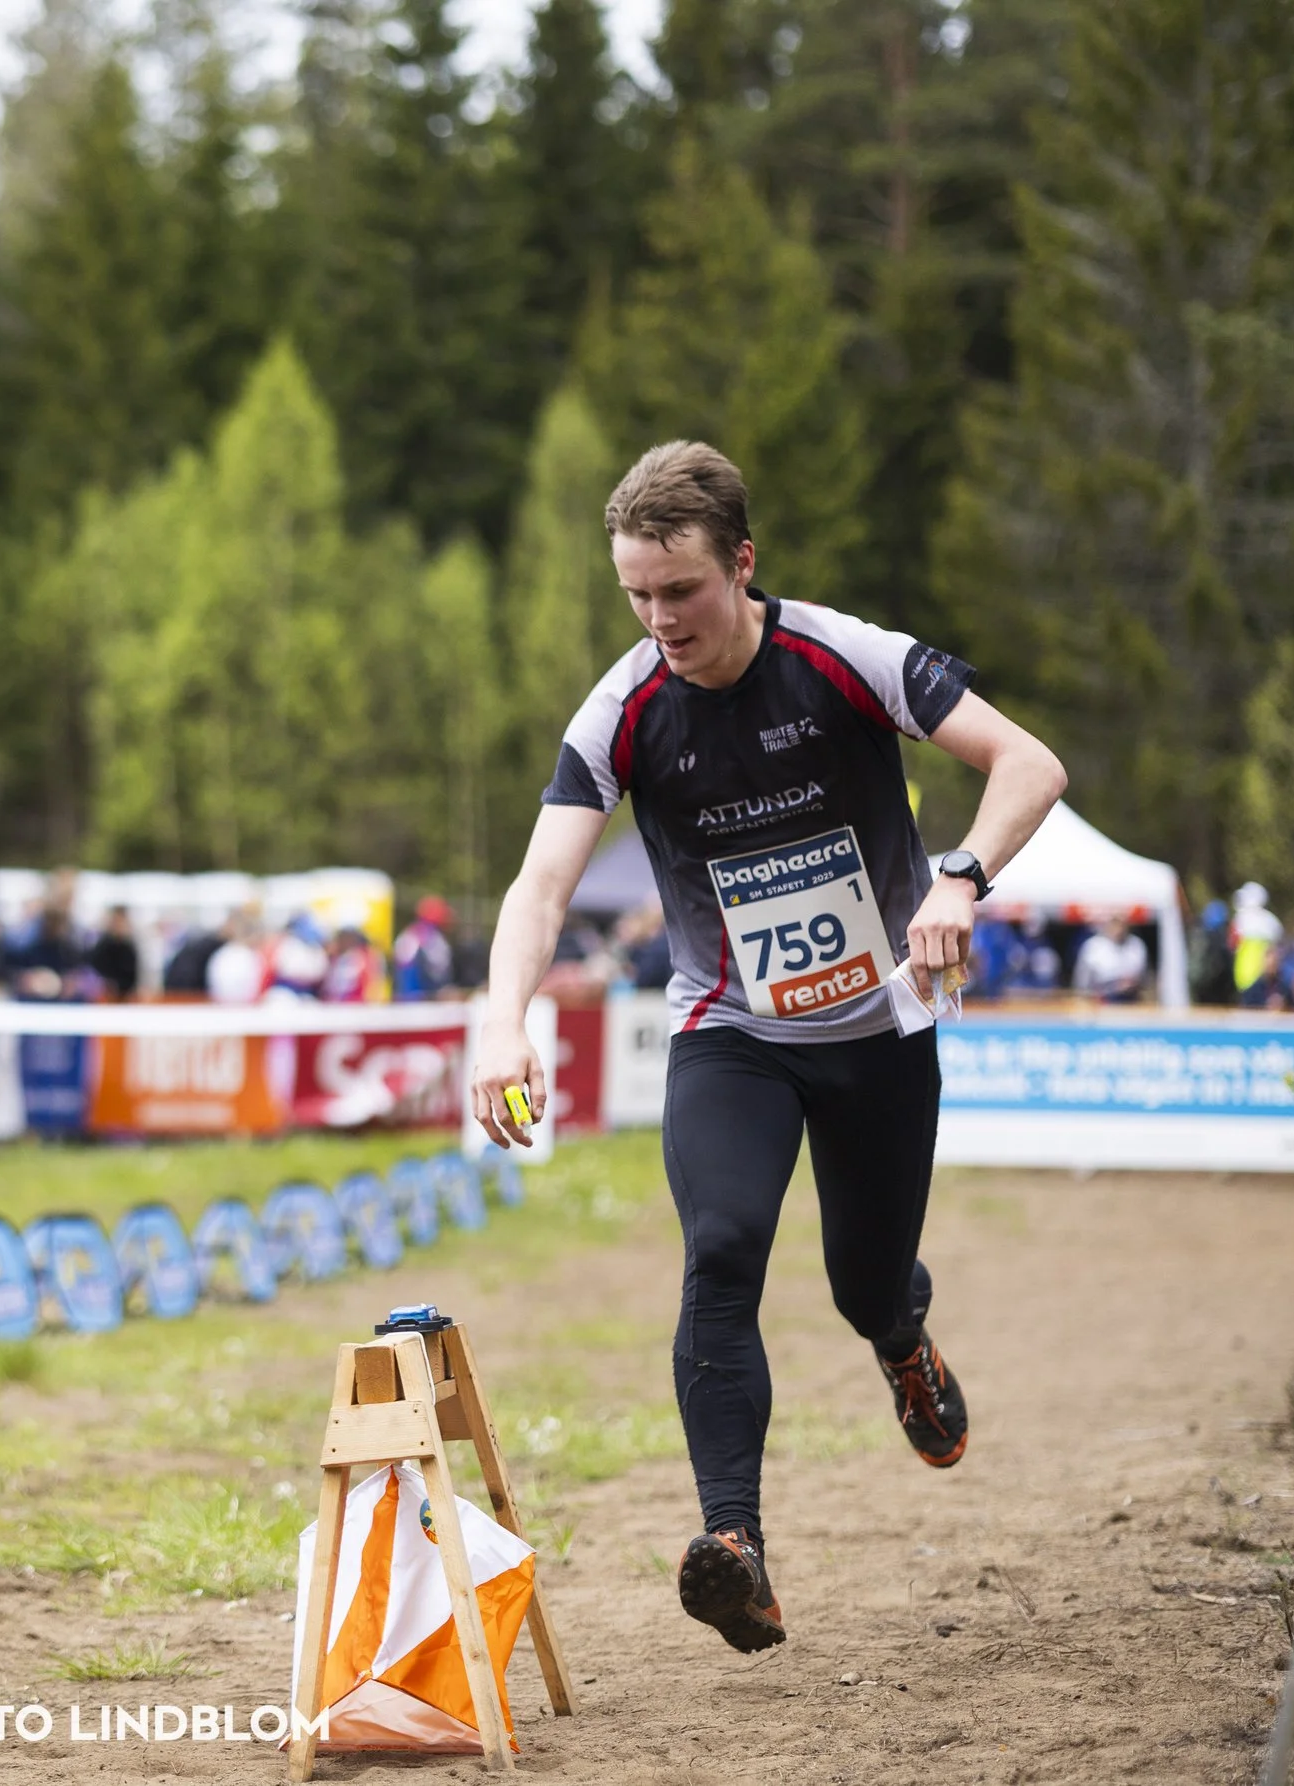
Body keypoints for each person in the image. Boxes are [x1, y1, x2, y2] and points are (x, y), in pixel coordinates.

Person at [469, 441, 1065, 1656]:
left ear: (741, 564)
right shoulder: (623, 709)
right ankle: (732, 1545)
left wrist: (959, 875)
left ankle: (901, 1336)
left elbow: (1030, 763)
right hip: (730, 1030)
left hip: (877, 1026)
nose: (658, 620)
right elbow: (539, 888)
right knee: (723, 1248)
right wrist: (501, 1018)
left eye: (679, 591)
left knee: (861, 1280)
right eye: (635, 594)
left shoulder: (845, 659)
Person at [1070, 914, 1149, 1002]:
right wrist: (1082, 995)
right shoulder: (1093, 945)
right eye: (1115, 926)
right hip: (1100, 997)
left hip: (1130, 996)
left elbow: (1142, 974)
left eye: (1121, 926)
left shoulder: (1136, 944)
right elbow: (1082, 977)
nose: (1118, 930)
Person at [391, 896, 455, 999]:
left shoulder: (408, 933)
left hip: (404, 998)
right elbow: (438, 971)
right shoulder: (433, 938)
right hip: (425, 999)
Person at [86, 904, 141, 999]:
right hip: (101, 997)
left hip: (124, 998)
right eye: (116, 920)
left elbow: (132, 979)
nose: (118, 924)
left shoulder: (129, 948)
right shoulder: (102, 946)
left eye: (121, 921)